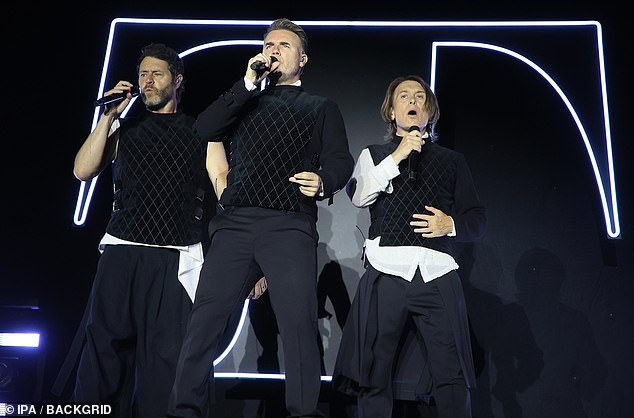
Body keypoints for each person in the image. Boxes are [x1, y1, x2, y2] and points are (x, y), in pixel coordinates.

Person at [166, 18, 354, 418]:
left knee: (299, 327)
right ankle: (184, 411)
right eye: (268, 44)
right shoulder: (244, 99)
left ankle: (302, 411)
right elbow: (203, 128)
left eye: (284, 45)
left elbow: (341, 160)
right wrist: (247, 83)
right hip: (235, 224)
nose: (274, 50)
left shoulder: (321, 107)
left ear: (303, 58)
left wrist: (323, 181)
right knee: (204, 324)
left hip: (288, 225)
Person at [65, 43, 226, 418]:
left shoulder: (202, 130)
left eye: (156, 74)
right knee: (104, 352)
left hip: (177, 259)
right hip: (122, 252)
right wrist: (107, 117)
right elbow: (82, 170)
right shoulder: (123, 128)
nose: (147, 81)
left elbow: (223, 188)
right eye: (142, 75)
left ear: (177, 80)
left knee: (168, 362)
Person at [332, 75, 486, 418]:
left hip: (437, 273)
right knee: (374, 370)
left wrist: (451, 224)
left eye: (420, 97)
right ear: (391, 111)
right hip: (387, 271)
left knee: (451, 370)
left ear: (429, 111)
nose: (413, 101)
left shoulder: (452, 160)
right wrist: (398, 155)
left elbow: (477, 218)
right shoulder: (374, 155)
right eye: (404, 96)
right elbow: (358, 195)